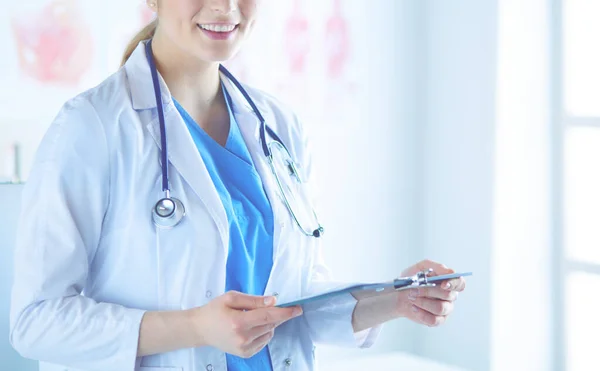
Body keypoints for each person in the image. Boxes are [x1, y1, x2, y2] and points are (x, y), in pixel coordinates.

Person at [9, 1, 467, 370]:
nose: (226, 6)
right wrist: (196, 328)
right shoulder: (92, 127)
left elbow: (293, 301)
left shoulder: (277, 126)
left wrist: (395, 299)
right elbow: (36, 322)